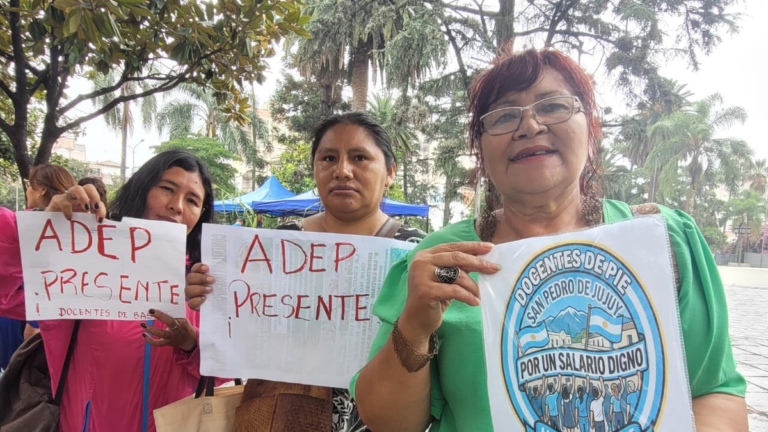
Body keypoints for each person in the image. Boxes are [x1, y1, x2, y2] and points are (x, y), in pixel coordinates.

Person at [352, 48, 747, 432]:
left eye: (554, 106)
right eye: (504, 116)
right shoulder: (440, 261)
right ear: (480, 150)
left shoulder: (666, 243)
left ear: (591, 130)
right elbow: (390, 423)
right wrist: (414, 330)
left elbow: (714, 393)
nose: (529, 126)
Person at [186, 112, 426, 432]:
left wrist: (448, 281)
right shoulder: (275, 243)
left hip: (380, 416)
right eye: (329, 157)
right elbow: (244, 322)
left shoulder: (415, 250)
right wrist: (210, 292)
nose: (342, 170)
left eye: (359, 157)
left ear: (390, 172)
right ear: (315, 168)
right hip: (279, 415)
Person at [0, 150, 218, 431]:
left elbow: (226, 373)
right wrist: (37, 230)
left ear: (200, 215)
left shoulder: (203, 284)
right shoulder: (84, 260)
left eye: (192, 200)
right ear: (142, 189)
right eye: (167, 188)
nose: (177, 205)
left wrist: (191, 343)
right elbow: (7, 294)